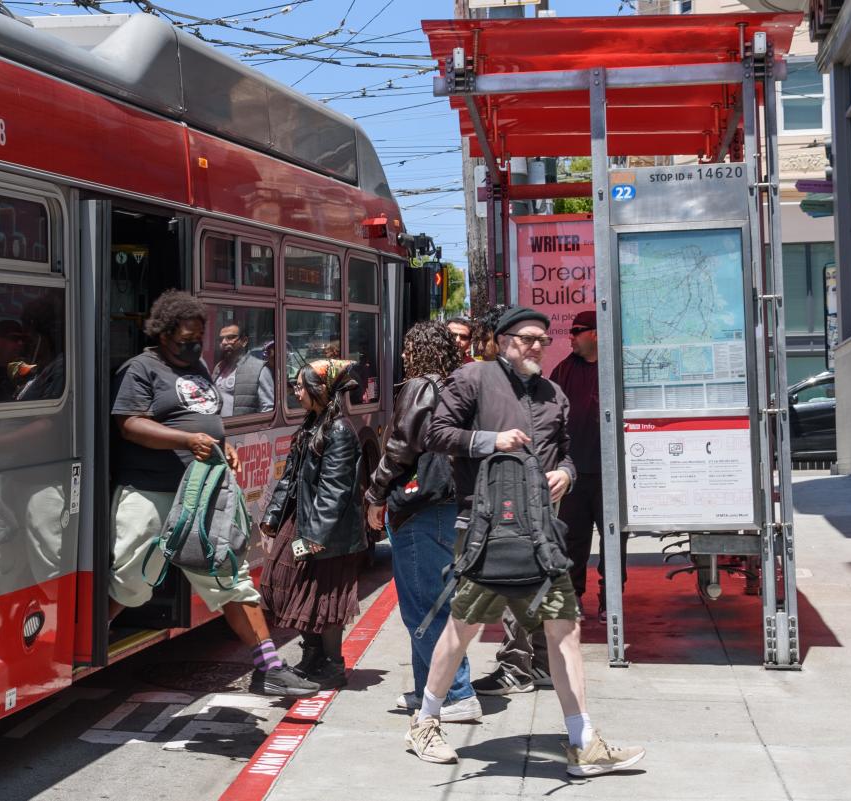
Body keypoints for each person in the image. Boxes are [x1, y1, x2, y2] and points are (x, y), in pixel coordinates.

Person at [406, 305, 645, 777]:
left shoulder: (554, 394)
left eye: (543, 338)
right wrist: (489, 441)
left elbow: (569, 455)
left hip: (540, 535)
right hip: (484, 530)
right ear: (501, 340)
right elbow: (434, 433)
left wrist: (566, 475)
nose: (537, 345)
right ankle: (426, 721)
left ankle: (583, 742)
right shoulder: (473, 379)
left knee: (565, 629)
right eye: (527, 338)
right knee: (463, 630)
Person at [108, 290, 316, 697]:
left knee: (229, 575)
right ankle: (88, 642)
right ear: (165, 333)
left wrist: (225, 446)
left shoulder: (199, 367)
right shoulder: (140, 370)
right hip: (151, 489)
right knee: (129, 578)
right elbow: (129, 424)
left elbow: (207, 419)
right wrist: (185, 440)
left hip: (202, 490)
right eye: (187, 338)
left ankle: (269, 667)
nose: (194, 346)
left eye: (199, 338)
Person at [365, 322, 480, 722]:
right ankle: (427, 689)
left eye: (407, 349)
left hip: (422, 506)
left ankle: (454, 694)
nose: (402, 356)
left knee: (425, 605)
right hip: (449, 504)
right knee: (431, 599)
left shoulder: (421, 387)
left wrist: (375, 493)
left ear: (418, 352)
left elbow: (400, 448)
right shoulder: (458, 385)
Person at [259, 359, 368, 690]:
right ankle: (312, 655)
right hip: (303, 520)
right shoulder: (311, 423)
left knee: (323, 597)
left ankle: (331, 663)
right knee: (286, 585)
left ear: (319, 390)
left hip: (327, 532)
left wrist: (312, 539)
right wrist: (273, 517)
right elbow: (289, 479)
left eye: (300, 385)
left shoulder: (338, 430)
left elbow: (335, 492)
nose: (295, 390)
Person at [551, 310, 626, 624]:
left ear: (595, 333)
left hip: (613, 473)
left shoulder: (616, 367)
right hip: (574, 473)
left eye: (577, 331)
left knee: (615, 540)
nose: (571, 337)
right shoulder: (563, 371)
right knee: (572, 540)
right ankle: (573, 597)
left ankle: (611, 601)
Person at [212, 322, 275, 416]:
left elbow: (268, 409)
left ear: (244, 341)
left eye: (230, 337)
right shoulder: (219, 367)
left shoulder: (259, 369)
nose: (224, 342)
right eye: (221, 339)